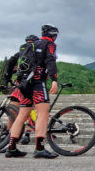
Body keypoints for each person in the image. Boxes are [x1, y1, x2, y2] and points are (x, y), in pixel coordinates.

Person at [6, 25, 60, 159]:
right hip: (37, 82)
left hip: (24, 84)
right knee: (43, 113)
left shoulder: (31, 44)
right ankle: (40, 148)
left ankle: (11, 147)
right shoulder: (49, 44)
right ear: (53, 35)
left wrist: (7, 77)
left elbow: (13, 60)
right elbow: (50, 60)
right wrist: (54, 79)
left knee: (22, 115)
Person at [3, 35, 39, 145]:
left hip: (20, 85)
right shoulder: (38, 53)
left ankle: (9, 135)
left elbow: (10, 62)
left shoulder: (21, 53)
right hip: (34, 84)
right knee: (30, 109)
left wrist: (7, 78)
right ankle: (27, 134)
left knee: (12, 109)